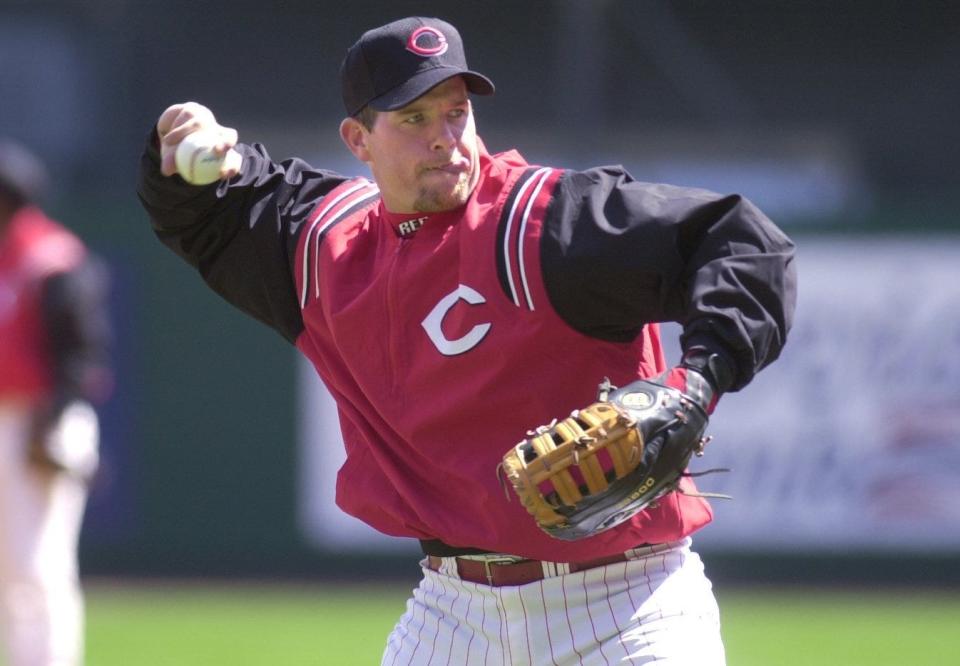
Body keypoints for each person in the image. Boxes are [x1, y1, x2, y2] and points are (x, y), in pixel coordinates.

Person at [137, 16, 796, 665]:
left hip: (626, 605)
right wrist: (179, 143)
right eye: (414, 119)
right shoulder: (324, 250)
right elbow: (211, 212)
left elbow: (743, 241)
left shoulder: (543, 225)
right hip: (453, 613)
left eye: (455, 113)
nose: (444, 138)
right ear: (358, 140)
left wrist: (700, 381)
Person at [0, 139, 112, 666]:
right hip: (12, 419)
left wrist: (55, 421)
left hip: (38, 419)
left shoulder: (50, 257)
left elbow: (82, 352)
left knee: (36, 567)